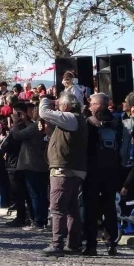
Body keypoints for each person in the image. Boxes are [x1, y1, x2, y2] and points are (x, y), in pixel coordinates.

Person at [38, 93, 88, 257]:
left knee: (58, 207)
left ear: (66, 106)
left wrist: (45, 100)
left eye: (60, 104)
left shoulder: (70, 118)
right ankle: (73, 243)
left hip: (64, 170)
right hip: (74, 169)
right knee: (72, 207)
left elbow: (44, 112)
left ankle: (57, 244)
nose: (58, 107)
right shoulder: (76, 120)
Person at [83, 93, 120, 256]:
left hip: (92, 171)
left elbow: (84, 147)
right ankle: (112, 243)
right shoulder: (117, 123)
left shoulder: (89, 123)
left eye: (91, 103)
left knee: (90, 208)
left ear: (98, 105)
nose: (90, 106)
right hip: (112, 170)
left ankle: (91, 245)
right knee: (110, 207)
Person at [10, 102, 49, 230]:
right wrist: (25, 121)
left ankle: (38, 221)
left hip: (31, 164)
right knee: (41, 193)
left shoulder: (36, 126)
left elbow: (17, 135)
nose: (32, 112)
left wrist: (15, 122)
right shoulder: (43, 125)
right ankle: (41, 220)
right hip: (42, 164)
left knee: (35, 194)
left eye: (34, 110)